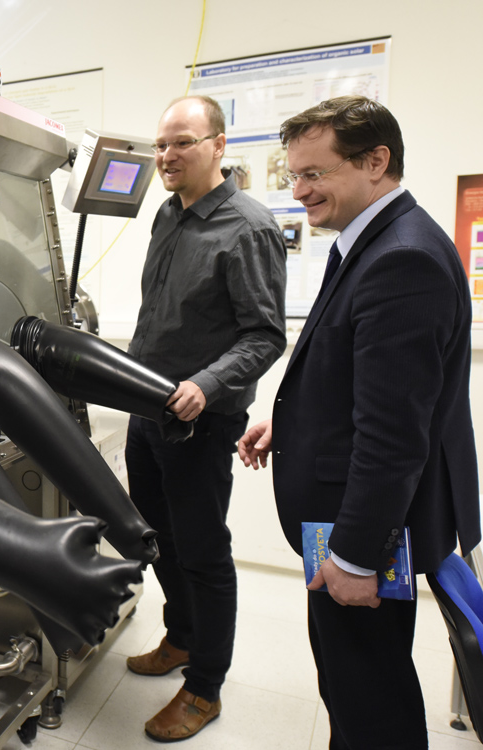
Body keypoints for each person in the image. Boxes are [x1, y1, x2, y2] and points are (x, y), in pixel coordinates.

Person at [238, 95, 480, 749]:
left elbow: (393, 437)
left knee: (369, 700)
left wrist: (352, 556)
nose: (298, 192)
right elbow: (368, 386)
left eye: (315, 174)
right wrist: (289, 426)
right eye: (295, 175)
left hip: (362, 531)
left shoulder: (402, 259)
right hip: (357, 517)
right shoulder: (373, 242)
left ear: (376, 161)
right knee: (351, 688)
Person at [124, 95, 287, 742]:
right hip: (146, 410)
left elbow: (265, 335)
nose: (167, 155)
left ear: (219, 145)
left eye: (182, 142)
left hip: (201, 421)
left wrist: (206, 383)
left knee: (203, 553)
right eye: (161, 144)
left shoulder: (249, 227)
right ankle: (183, 636)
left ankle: (204, 688)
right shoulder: (168, 214)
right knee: (155, 538)